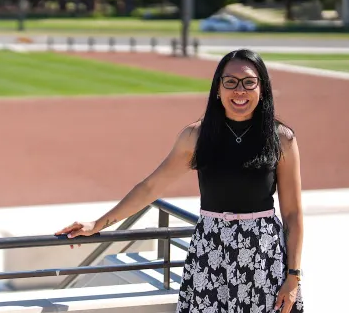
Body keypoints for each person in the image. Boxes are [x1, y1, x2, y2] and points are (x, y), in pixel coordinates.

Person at [56, 49, 304, 313]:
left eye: (248, 82)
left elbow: (292, 214)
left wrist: (293, 277)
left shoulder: (281, 139)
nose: (239, 90)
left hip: (264, 258)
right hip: (210, 253)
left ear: (262, 88)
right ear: (218, 89)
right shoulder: (196, 136)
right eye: (230, 82)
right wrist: (98, 224)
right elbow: (150, 187)